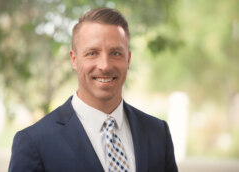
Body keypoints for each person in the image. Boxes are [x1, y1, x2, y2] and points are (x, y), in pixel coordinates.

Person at [9, 7, 178, 172]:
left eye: (115, 53)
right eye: (92, 53)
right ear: (74, 59)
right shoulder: (35, 142)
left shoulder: (158, 133)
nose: (104, 66)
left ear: (128, 59)